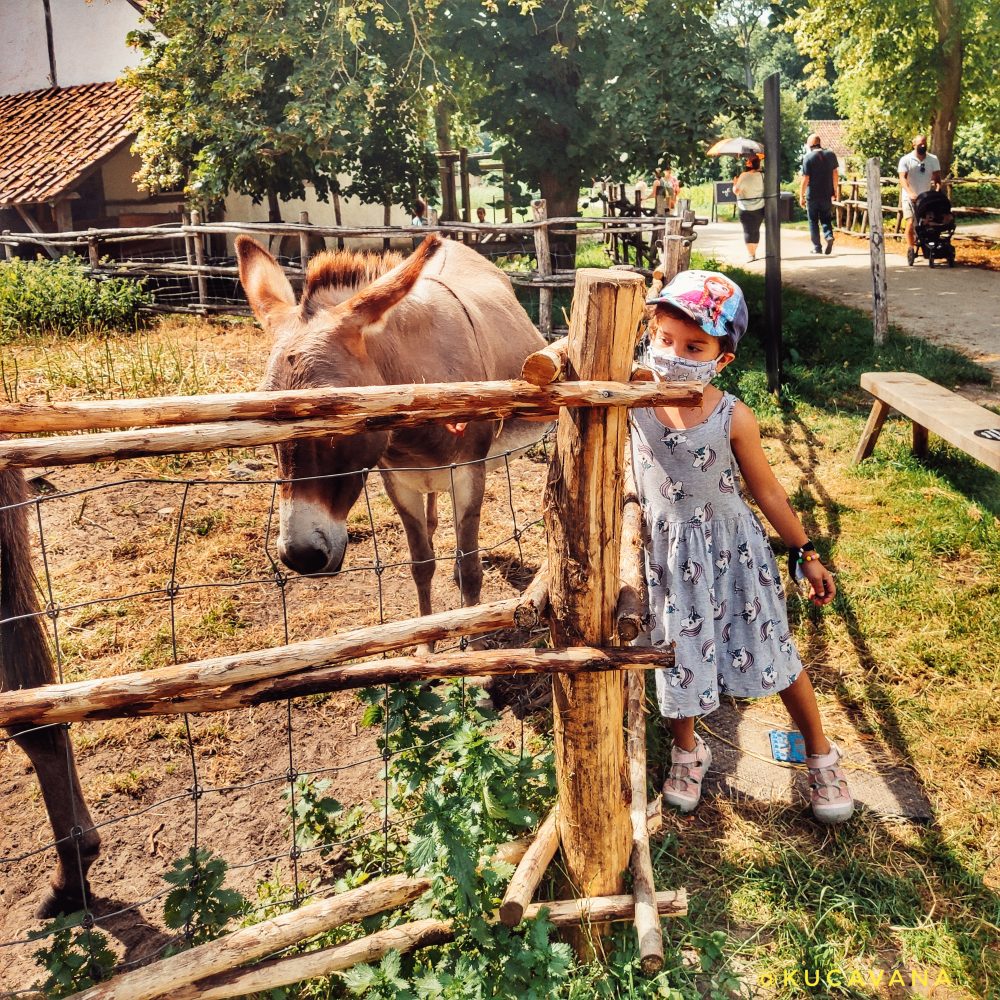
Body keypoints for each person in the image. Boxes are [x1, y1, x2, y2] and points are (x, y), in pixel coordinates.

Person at [630, 269, 854, 825]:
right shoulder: (630, 398)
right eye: (663, 339)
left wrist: (804, 550)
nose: (672, 354)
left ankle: (821, 754)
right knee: (677, 653)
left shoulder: (734, 416)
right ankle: (688, 751)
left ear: (720, 359)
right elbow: (553, 405)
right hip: (668, 556)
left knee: (771, 649)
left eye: (693, 346)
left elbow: (769, 490)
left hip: (732, 554)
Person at [898, 134, 942, 260]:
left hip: (926, 197)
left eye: (924, 143)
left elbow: (937, 178)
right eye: (920, 144)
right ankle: (911, 247)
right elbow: (902, 178)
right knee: (911, 222)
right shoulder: (906, 159)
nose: (922, 146)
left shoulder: (933, 159)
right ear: (914, 145)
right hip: (910, 196)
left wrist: (937, 190)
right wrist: (910, 192)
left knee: (928, 223)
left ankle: (929, 246)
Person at [799, 132, 839, 255]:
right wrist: (835, 190)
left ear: (810, 145)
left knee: (813, 221)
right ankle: (828, 236)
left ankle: (817, 247)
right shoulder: (831, 155)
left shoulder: (808, 158)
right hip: (826, 193)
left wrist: (801, 196)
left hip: (812, 195)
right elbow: (835, 174)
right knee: (826, 218)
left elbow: (806, 179)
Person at [732, 156, 765, 261]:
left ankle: (751, 255)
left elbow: (737, 191)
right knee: (756, 230)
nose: (746, 162)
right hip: (760, 207)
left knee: (747, 231)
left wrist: (735, 183)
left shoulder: (744, 176)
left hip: (745, 207)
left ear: (750, 164)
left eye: (747, 161)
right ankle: (754, 252)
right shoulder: (763, 176)